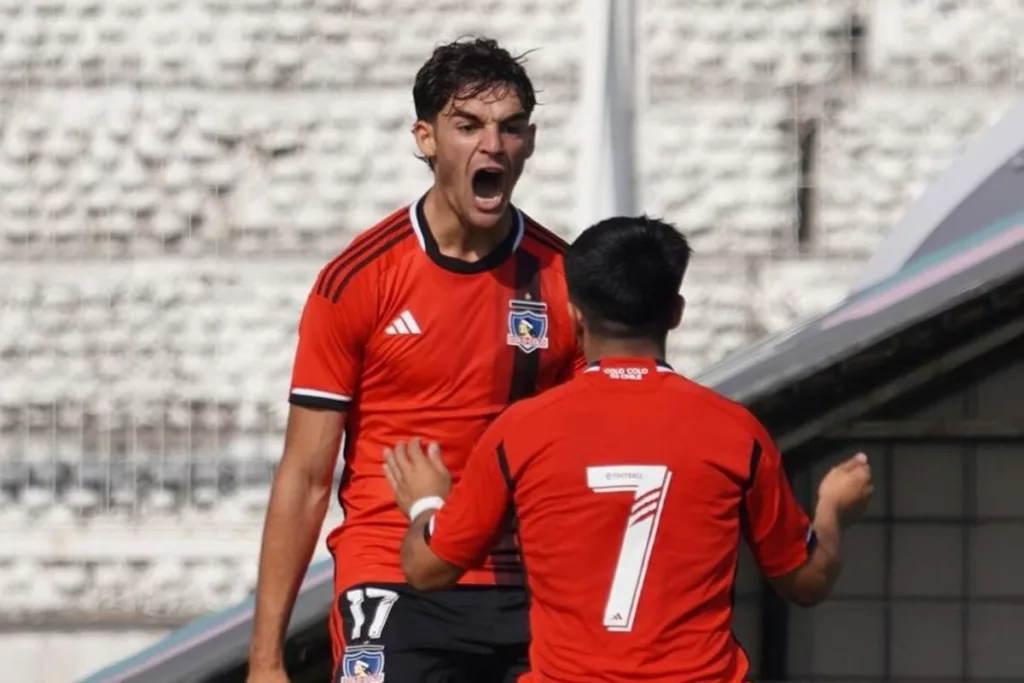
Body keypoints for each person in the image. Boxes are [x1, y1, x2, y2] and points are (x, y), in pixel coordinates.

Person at [384, 216, 874, 683]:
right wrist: (833, 506)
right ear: (676, 313)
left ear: (574, 313)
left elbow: (427, 570)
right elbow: (806, 580)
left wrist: (428, 503)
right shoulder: (735, 432)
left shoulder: (523, 431)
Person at [246, 37, 586, 683]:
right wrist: (265, 659)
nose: (493, 145)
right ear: (426, 138)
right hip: (393, 574)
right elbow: (307, 475)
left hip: (530, 582)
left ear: (531, 143)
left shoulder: (566, 277)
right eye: (469, 126)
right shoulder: (358, 279)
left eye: (510, 128)